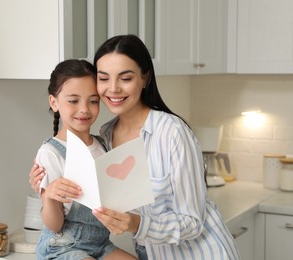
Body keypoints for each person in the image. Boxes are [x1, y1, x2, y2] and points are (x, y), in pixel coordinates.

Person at [30, 35, 240, 260]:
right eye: (104, 78)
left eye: (125, 78)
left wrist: (136, 223)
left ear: (144, 78)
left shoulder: (171, 132)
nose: (113, 89)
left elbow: (192, 223)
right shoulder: (106, 137)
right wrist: (47, 193)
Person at [33, 59, 137, 260]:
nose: (84, 109)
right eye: (73, 101)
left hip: (100, 244)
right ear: (54, 102)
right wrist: (49, 197)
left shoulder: (103, 145)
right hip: (61, 246)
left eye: (93, 100)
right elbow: (54, 225)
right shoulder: (50, 153)